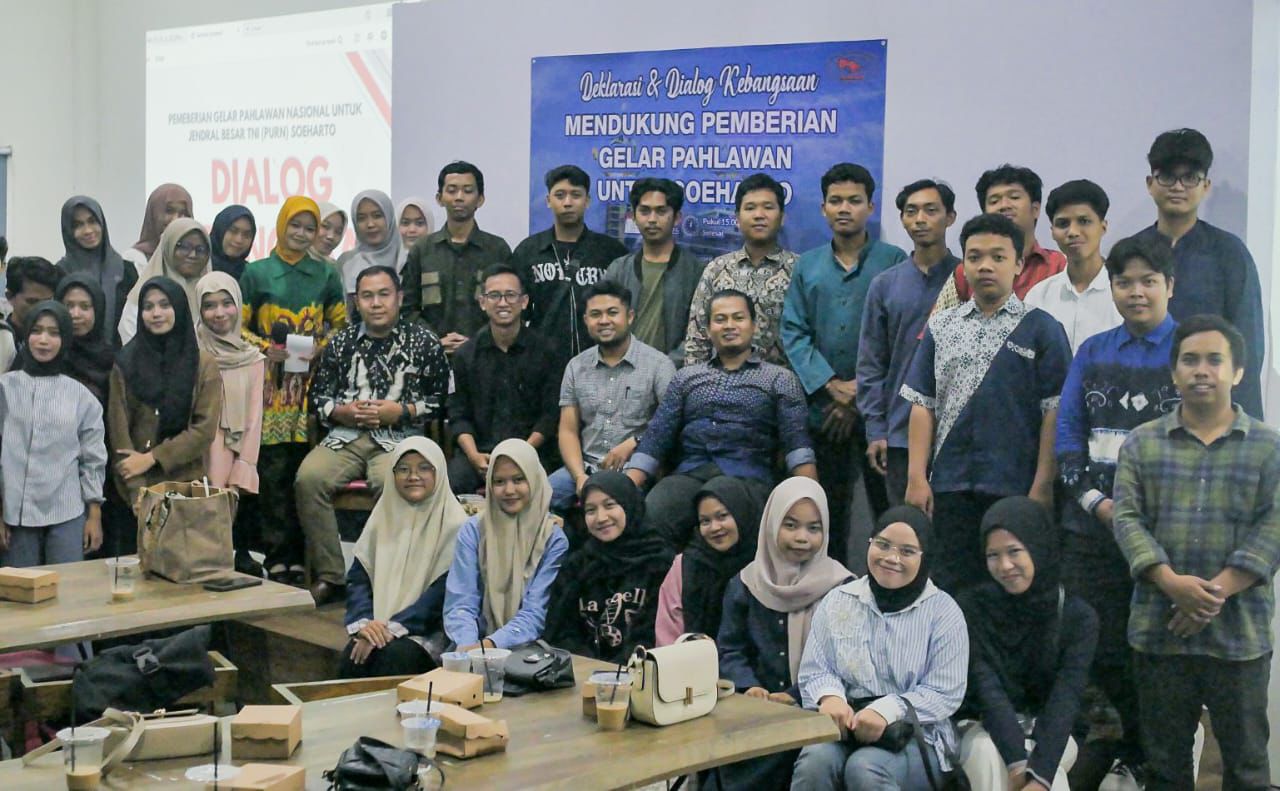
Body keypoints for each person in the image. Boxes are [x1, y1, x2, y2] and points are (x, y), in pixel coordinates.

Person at [1113, 314, 1280, 789]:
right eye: (1189, 360)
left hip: (1239, 635)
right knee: (1165, 769)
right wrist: (1171, 584)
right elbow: (1127, 519)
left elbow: (1274, 526)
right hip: (1159, 630)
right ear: (1174, 372)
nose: (1201, 370)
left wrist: (1209, 596)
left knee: (1246, 768)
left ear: (1238, 372)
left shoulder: (1269, 447)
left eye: (1214, 360)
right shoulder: (1141, 443)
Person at [1054, 234, 1177, 785]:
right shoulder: (1093, 351)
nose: (1136, 292)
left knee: (1154, 652)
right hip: (1091, 531)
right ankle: (1113, 750)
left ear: (1170, 286)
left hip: (1163, 537)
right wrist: (1099, 505)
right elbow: (1068, 441)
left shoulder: (1190, 352)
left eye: (1149, 281)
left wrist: (1144, 519)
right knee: (1096, 644)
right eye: (1124, 282)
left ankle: (1153, 757)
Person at [902, 213, 1071, 592]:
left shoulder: (1043, 328)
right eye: (975, 257)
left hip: (1015, 484)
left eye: (998, 257)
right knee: (951, 587)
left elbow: (1054, 412)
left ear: (1018, 264)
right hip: (950, 484)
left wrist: (1043, 485)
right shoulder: (942, 326)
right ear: (963, 264)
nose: (985, 266)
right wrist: (916, 477)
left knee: (1011, 588)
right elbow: (922, 403)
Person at [297, 265, 449, 605]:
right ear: (356, 302)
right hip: (346, 436)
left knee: (393, 483)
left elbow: (441, 402)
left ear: (399, 298)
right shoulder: (341, 342)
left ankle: (385, 577)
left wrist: (402, 411)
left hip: (400, 439)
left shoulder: (424, 341)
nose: (376, 303)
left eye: (384, 294)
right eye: (367, 296)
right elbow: (317, 398)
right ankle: (332, 576)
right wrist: (342, 412)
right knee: (309, 478)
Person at [791, 505, 968, 789]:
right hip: (849, 726)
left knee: (865, 768)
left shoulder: (944, 612)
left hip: (918, 734)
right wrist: (830, 697)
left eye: (907, 551)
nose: (891, 558)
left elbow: (945, 692)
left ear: (925, 558)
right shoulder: (839, 600)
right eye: (883, 545)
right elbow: (816, 669)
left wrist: (888, 710)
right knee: (815, 762)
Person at [625, 289, 815, 548]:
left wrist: (810, 499)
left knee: (730, 515)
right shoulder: (686, 378)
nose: (729, 325)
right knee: (653, 517)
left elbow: (797, 445)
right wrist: (623, 490)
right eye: (720, 319)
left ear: (754, 325)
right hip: (690, 475)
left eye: (738, 318)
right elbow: (656, 437)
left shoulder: (779, 379)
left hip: (747, 478)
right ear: (708, 329)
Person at [783, 163, 907, 559]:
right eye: (835, 201)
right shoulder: (807, 265)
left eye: (854, 201)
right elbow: (793, 331)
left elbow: (902, 337)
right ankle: (827, 585)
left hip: (880, 414)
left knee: (889, 509)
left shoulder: (894, 261)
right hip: (824, 412)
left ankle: (893, 580)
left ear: (871, 207)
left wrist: (857, 395)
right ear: (823, 209)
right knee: (826, 511)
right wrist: (830, 386)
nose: (844, 208)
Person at [713, 477, 852, 790]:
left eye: (814, 528)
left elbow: (845, 662)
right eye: (790, 525)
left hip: (814, 708)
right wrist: (750, 687)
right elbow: (730, 649)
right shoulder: (746, 583)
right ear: (771, 523)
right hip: (751, 707)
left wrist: (794, 695)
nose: (802, 538)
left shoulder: (843, 589)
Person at [239, 196, 347, 584]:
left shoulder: (326, 274)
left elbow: (341, 325)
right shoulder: (257, 273)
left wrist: (322, 347)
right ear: (282, 225)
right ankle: (276, 555)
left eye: (309, 228)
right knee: (273, 474)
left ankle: (302, 557)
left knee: (304, 473)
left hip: (312, 389)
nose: (301, 234)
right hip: (270, 389)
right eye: (295, 225)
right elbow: (238, 326)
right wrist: (265, 348)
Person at [956, 497, 1097, 791]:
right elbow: (986, 688)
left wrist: (1039, 777)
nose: (1004, 566)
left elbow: (1066, 697)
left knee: (1048, 777)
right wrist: (1017, 763)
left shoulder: (1077, 617)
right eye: (993, 555)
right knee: (987, 755)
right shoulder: (973, 608)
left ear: (1038, 546)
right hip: (984, 725)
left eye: (1014, 551)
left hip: (1054, 734)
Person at [1133, 128, 1266, 419]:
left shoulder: (1230, 254)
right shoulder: (1133, 252)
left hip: (1210, 410)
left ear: (1206, 186)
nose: (1178, 186)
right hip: (1140, 405)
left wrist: (1242, 425)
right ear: (1150, 184)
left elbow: (1247, 345)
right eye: (1167, 176)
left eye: (1190, 177)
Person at [857, 179, 958, 508]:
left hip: (957, 436)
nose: (920, 219)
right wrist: (876, 429)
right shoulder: (885, 285)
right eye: (911, 211)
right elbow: (871, 364)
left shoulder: (967, 279)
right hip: (900, 435)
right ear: (902, 219)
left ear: (950, 217)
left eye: (931, 210)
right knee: (905, 528)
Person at [340, 437, 466, 678]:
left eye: (424, 468)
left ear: (439, 472)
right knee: (354, 656)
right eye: (404, 469)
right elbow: (359, 580)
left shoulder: (455, 524)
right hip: (378, 628)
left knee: (394, 658)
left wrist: (393, 628)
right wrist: (365, 624)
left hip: (428, 632)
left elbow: (440, 597)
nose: (413, 476)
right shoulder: (381, 518)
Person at [107, 277, 222, 539]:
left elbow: (203, 431)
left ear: (179, 309)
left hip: (186, 487)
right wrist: (138, 494)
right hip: (134, 490)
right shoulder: (124, 364)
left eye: (165, 305)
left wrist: (152, 457)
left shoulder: (203, 365)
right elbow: (119, 434)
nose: (156, 313)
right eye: (148, 307)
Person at [553, 280, 675, 514]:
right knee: (539, 500)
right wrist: (579, 476)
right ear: (586, 320)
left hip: (635, 469)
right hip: (586, 467)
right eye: (595, 314)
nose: (604, 321)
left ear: (629, 316)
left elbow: (670, 424)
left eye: (612, 313)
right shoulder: (576, 367)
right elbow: (567, 431)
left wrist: (635, 442)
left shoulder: (658, 365)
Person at [0, 301, 106, 570]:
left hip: (67, 511)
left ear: (66, 339)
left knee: (67, 588)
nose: (44, 340)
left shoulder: (82, 397)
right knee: (20, 590)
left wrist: (94, 515)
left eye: (54, 333)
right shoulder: (5, 389)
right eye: (36, 331)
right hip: (15, 513)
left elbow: (93, 460)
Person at [443, 438, 570, 650]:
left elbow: (535, 612)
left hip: (527, 648)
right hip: (472, 642)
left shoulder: (553, 538)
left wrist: (491, 645)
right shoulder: (474, 529)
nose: (509, 490)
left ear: (534, 479)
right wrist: (468, 646)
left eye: (519, 479)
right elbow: (461, 602)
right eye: (499, 482)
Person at [447, 264, 559, 495]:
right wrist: (474, 455)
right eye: (494, 296)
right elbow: (458, 415)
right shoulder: (465, 356)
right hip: (480, 452)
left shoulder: (547, 352)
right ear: (482, 302)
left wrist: (522, 454)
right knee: (452, 484)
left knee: (549, 489)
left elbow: (550, 416)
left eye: (510, 295)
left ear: (524, 301)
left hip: (532, 450)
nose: (503, 302)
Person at [544, 471, 672, 663]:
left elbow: (653, 635)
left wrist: (615, 671)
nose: (601, 517)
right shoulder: (578, 564)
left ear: (629, 505)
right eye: (590, 510)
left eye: (610, 505)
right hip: (582, 671)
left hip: (638, 672)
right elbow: (561, 630)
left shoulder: (660, 562)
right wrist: (589, 667)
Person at [511, 164, 628, 371]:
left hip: (601, 363)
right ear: (548, 200)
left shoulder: (611, 251)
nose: (567, 202)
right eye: (560, 195)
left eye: (575, 195)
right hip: (542, 367)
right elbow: (517, 313)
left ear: (587, 201)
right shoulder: (528, 251)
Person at [684, 173, 796, 367]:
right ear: (737, 218)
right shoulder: (717, 269)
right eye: (750, 208)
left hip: (783, 382)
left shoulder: (800, 270)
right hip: (721, 381)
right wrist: (694, 380)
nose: (759, 215)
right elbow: (697, 337)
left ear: (782, 217)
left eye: (768, 207)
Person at [195, 272, 265, 578]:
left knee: (225, 523)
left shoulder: (252, 359)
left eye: (227, 303)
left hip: (233, 451)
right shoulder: (191, 351)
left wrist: (244, 465)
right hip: (197, 451)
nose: (219, 313)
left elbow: (254, 420)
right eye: (209, 305)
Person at [401, 161, 512, 352]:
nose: (459, 197)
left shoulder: (497, 249)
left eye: (468, 191)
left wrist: (476, 342)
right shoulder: (422, 250)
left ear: (480, 199)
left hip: (486, 356)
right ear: (439, 198)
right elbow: (407, 309)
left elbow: (509, 306)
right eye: (452, 191)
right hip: (432, 357)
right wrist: (435, 341)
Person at [933, 165, 1066, 312]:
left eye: (1014, 197)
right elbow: (936, 323)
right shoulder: (965, 271)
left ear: (1035, 209)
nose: (1004, 206)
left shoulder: (1059, 265)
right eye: (994, 201)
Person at [603, 178, 704, 363]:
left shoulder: (697, 272)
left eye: (661, 211)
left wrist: (666, 367)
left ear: (677, 218)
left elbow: (700, 332)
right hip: (622, 371)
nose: (652, 219)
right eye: (644, 211)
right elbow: (604, 325)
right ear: (634, 217)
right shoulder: (618, 269)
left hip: (676, 373)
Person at [655, 477, 764, 645]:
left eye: (722, 516)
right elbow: (668, 634)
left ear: (742, 513)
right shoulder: (686, 566)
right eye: (705, 521)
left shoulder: (765, 564)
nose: (714, 528)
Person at [1023, 180, 1121, 352]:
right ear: (1052, 232)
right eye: (1063, 224)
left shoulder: (1124, 294)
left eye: (1084, 221)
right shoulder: (1039, 296)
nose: (1073, 232)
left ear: (1103, 227)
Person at [118, 218, 211, 344]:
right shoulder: (144, 294)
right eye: (184, 247)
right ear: (168, 247)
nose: (192, 255)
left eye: (200, 249)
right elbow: (130, 339)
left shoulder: (211, 294)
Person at [56, 196, 134, 345]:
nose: (88, 230)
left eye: (92, 221)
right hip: (72, 354)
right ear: (68, 231)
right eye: (78, 225)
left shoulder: (126, 270)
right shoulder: (60, 273)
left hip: (120, 355)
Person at [55, 274, 115, 405]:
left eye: (85, 306)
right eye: (68, 306)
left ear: (98, 310)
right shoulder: (47, 354)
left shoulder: (111, 361)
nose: (75, 314)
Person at [337, 189, 400, 298]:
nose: (370, 224)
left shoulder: (407, 258)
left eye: (377, 216)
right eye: (361, 218)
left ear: (389, 217)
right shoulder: (346, 262)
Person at [124, 183, 193, 272]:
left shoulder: (196, 257)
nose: (176, 219)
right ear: (154, 214)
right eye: (169, 211)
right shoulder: (134, 259)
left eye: (183, 213)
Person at [5, 256, 66, 347]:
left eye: (47, 302)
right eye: (32, 302)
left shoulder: (60, 340)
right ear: (10, 296)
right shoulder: (3, 339)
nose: (40, 309)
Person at [209, 205, 257, 281]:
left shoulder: (250, 276)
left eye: (246, 235)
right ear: (220, 230)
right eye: (233, 231)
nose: (239, 240)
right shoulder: (199, 266)